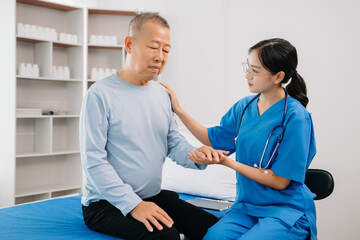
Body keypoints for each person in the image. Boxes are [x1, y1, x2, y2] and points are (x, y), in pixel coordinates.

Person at [79, 13, 221, 240]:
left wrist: (195, 156)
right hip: (106, 203)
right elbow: (93, 162)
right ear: (129, 44)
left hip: (151, 196)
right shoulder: (100, 94)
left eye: (166, 50)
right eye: (154, 47)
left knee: (216, 230)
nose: (160, 57)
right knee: (166, 237)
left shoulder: (161, 94)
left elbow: (173, 142)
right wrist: (133, 204)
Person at [160, 38, 317, 240]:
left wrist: (228, 162)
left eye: (255, 71)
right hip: (247, 207)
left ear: (278, 76)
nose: (247, 75)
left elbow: (280, 181)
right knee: (213, 237)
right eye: (247, 67)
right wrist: (178, 110)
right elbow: (213, 139)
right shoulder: (244, 107)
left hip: (285, 210)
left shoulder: (296, 118)